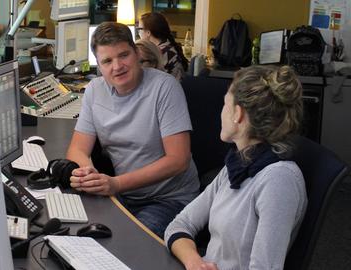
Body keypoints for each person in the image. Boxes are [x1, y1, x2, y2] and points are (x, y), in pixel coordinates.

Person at [164, 65, 308, 270]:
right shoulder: (238, 164)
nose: (221, 111)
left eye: (225, 104)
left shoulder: (279, 181)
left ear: (237, 114)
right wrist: (194, 262)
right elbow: (179, 225)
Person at [66, 22, 200, 238]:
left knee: (128, 243)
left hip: (169, 198)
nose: (117, 66)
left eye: (123, 55)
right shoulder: (94, 90)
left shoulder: (165, 87)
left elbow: (178, 160)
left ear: (137, 52)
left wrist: (115, 184)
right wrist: (88, 174)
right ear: (99, 66)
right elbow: (77, 150)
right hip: (123, 195)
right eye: (107, 61)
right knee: (81, 236)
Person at [138, 12, 188, 81]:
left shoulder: (163, 52)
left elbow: (151, 80)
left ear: (148, 33)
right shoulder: (166, 47)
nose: (139, 33)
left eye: (139, 29)